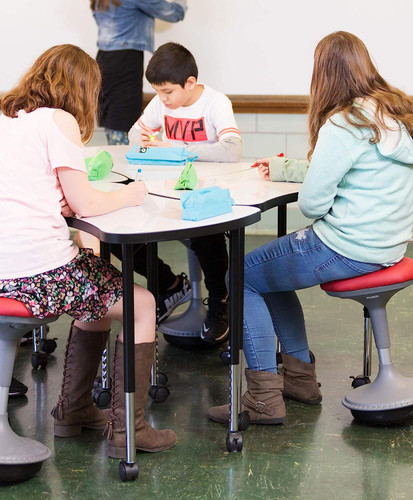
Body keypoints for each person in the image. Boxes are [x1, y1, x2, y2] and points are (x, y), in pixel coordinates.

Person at [207, 31, 413, 425]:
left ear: (324, 75)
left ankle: (262, 398)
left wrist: (317, 187)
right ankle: (299, 382)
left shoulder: (343, 124)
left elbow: (312, 203)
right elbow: (357, 174)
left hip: (343, 247)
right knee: (268, 277)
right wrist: (287, 169)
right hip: (386, 247)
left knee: (241, 275)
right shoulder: (393, 116)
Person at [0, 44, 177, 459]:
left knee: (96, 284)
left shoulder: (6, 117)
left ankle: (74, 410)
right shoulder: (57, 120)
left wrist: (56, 199)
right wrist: (133, 194)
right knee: (142, 302)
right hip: (36, 273)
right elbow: (87, 206)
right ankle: (127, 431)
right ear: (81, 88)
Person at [127, 42, 243, 343]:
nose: (162, 99)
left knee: (207, 232)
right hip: (166, 194)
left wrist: (177, 149)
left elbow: (232, 150)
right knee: (123, 228)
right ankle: (169, 285)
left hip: (206, 196)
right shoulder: (160, 103)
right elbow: (133, 134)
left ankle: (220, 300)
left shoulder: (215, 102)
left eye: (167, 92)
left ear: (189, 83)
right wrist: (147, 141)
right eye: (157, 91)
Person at [90, 0, 187, 146]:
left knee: (115, 123)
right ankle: (124, 163)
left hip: (105, 59)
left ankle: (119, 162)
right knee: (124, 123)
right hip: (125, 60)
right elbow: (174, 13)